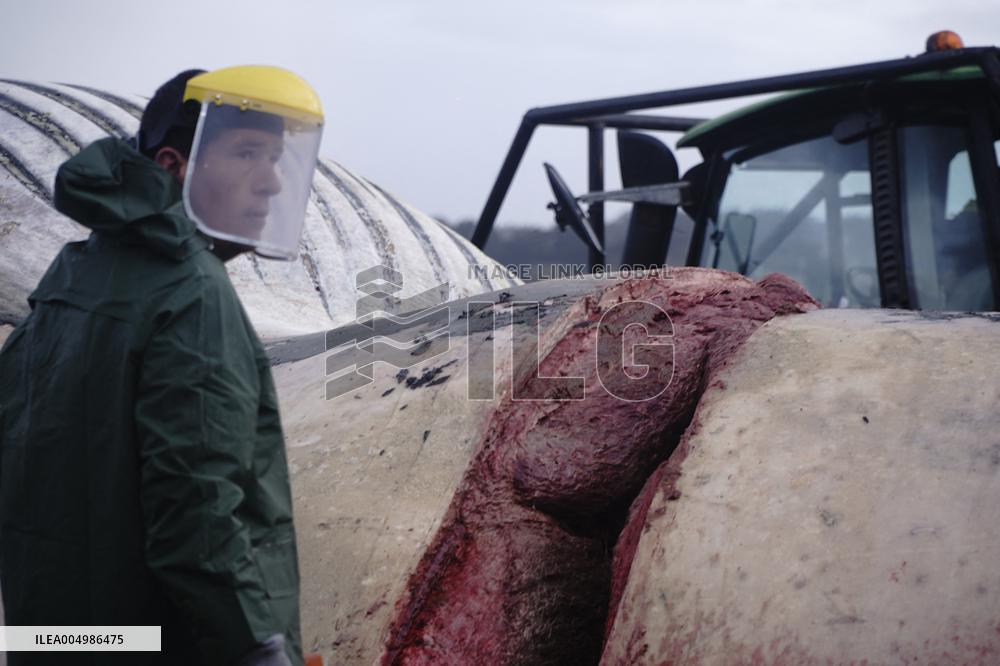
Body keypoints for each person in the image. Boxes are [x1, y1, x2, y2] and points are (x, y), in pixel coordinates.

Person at [0, 66, 325, 666]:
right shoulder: (190, 294)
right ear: (177, 165)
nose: (272, 184)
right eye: (248, 153)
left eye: (277, 159)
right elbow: (196, 525)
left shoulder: (75, 272)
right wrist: (258, 650)